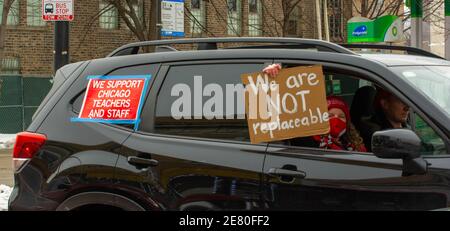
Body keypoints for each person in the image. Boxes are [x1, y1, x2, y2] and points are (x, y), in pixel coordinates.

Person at [262, 64, 367, 152]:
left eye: (341, 116)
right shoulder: (308, 139)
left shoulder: (355, 143)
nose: (336, 119)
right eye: (329, 115)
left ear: (347, 121)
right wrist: (274, 77)